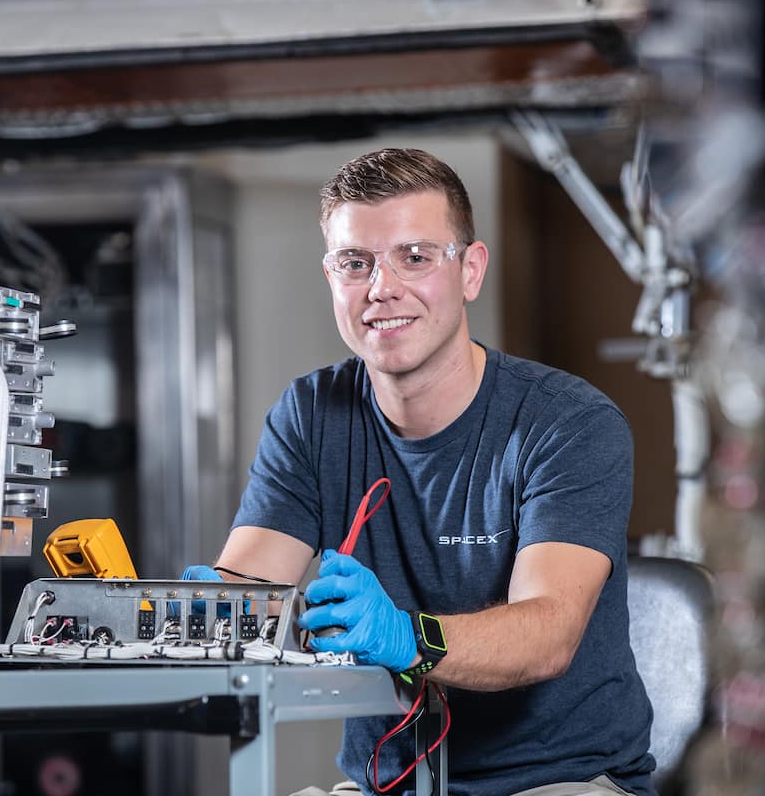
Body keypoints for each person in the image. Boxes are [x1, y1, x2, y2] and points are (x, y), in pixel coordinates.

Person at [186, 148, 655, 796]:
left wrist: (404, 636)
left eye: (415, 256)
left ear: (470, 270)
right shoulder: (312, 415)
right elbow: (245, 592)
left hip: (558, 780)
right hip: (391, 784)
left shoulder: (567, 423)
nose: (382, 288)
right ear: (331, 277)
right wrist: (193, 612)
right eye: (355, 263)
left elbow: (548, 633)